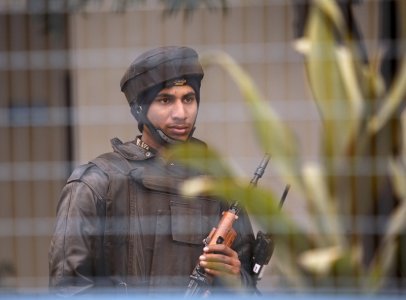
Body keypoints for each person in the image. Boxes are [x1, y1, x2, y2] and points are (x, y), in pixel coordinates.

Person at [48, 46, 257, 295]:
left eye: (188, 99)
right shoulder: (95, 183)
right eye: (165, 99)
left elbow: (251, 289)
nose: (181, 113)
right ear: (139, 109)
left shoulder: (219, 185)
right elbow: (68, 288)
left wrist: (235, 276)